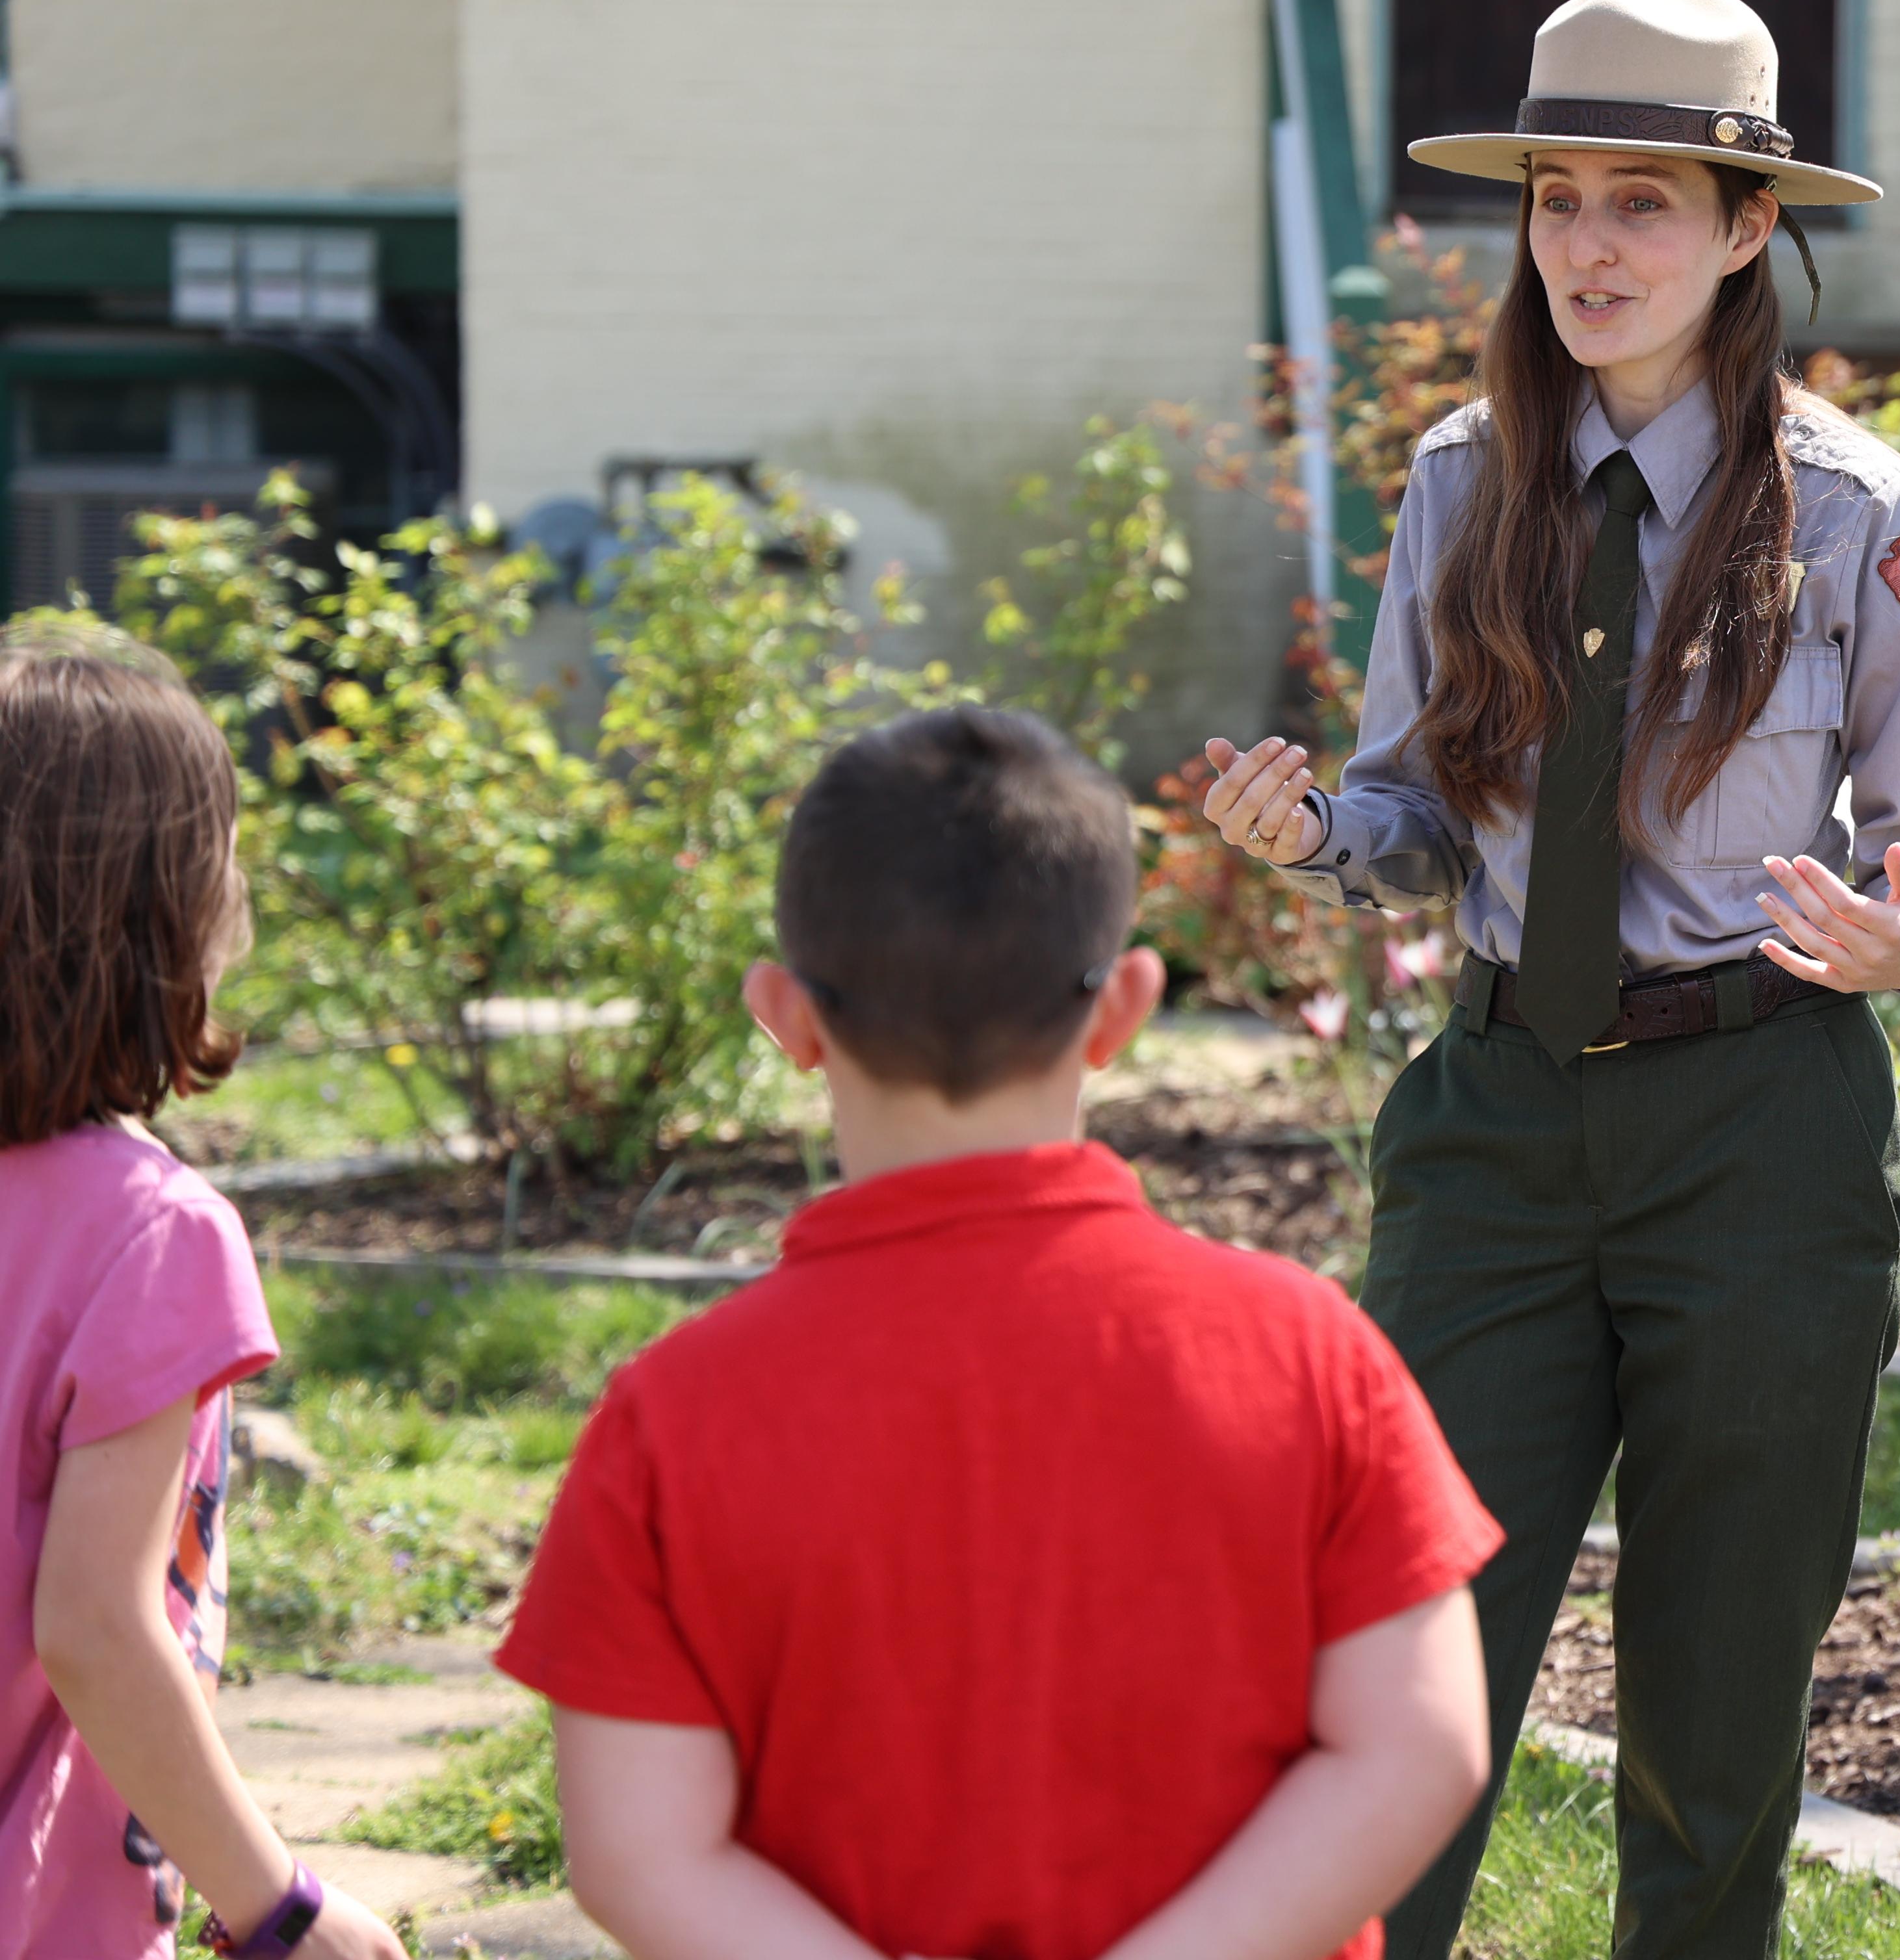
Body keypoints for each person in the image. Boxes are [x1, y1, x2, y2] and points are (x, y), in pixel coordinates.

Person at [1198, 0, 1900, 1960]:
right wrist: (1318, 833)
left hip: (1763, 1132)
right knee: (1406, 1669)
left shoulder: (1854, 517)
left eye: (1645, 202)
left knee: (1717, 1711)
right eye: (1561, 200)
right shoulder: (1468, 481)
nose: (1589, 247)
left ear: (1751, 234)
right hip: (1495, 1128)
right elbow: (1410, 813)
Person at [494, 706, 1501, 1960]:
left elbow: (640, 1853)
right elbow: (1421, 1747)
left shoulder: (670, 1414)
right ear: (1126, 1009)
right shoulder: (1309, 1354)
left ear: (785, 1017)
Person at [1, 617, 410, 1960]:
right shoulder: (152, 1237)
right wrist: (283, 1908)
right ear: (158, 908)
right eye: (222, 849)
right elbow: (96, 1630)